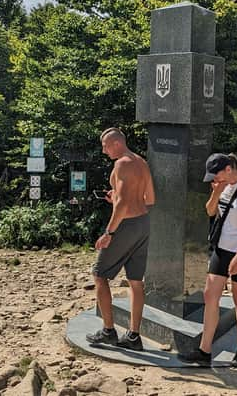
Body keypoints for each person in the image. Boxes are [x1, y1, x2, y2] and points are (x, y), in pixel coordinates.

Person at [178, 153, 237, 366]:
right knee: (210, 296)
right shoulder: (223, 184)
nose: (215, 178)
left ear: (229, 169)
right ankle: (204, 350)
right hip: (222, 248)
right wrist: (216, 193)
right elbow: (210, 211)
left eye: (217, 174)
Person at [85, 128, 155, 351]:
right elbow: (149, 198)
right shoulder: (141, 162)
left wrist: (109, 233)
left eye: (105, 146)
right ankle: (134, 336)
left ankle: (108, 331)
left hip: (126, 226)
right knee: (136, 281)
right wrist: (115, 197)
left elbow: (124, 204)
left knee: (99, 274)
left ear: (116, 143)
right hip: (143, 223)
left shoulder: (122, 164)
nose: (104, 151)